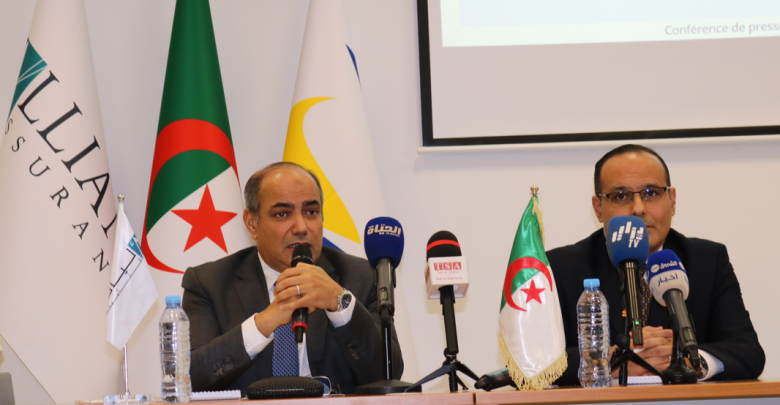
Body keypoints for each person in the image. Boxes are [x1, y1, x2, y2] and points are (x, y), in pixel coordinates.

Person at [548, 144, 764, 385]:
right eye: (621, 196)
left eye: (651, 193)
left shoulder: (708, 261)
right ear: (598, 208)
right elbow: (532, 364)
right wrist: (607, 361)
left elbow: (748, 352)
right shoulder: (561, 267)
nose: (638, 209)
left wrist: (684, 360)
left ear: (672, 201)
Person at [181, 162, 402, 394]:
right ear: (252, 223)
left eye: (311, 212)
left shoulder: (360, 277)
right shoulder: (208, 283)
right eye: (282, 214)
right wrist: (264, 323)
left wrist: (339, 303)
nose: (301, 227)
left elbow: (389, 375)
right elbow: (189, 378)